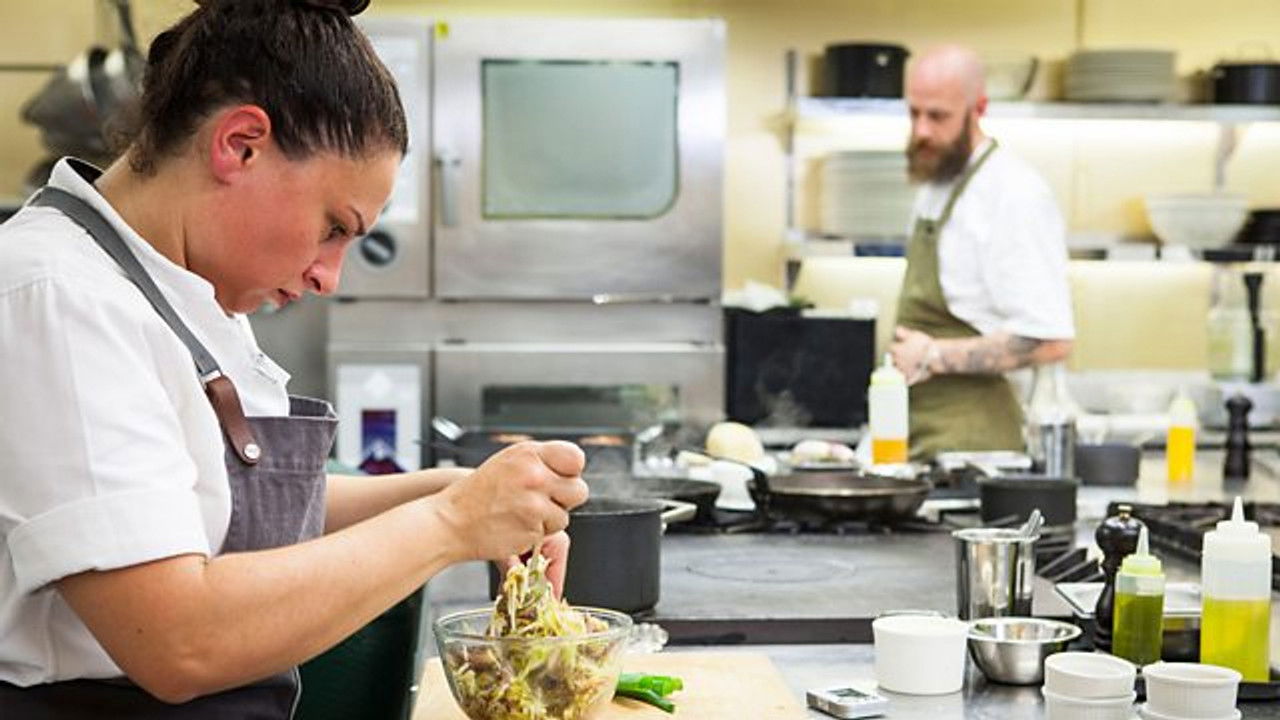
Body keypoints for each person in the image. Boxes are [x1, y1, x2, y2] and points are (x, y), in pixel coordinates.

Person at [0, 1, 589, 717]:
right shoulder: (56, 297)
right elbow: (179, 641)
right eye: (333, 227)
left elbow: (212, 506)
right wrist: (452, 523)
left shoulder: (182, 289)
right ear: (240, 145)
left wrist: (454, 489)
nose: (327, 277)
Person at [889, 44, 1075, 459]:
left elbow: (1050, 340)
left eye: (938, 116)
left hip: (978, 452)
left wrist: (933, 355)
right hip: (924, 439)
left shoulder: (1013, 193)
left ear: (979, 109)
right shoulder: (938, 181)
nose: (921, 131)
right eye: (914, 113)